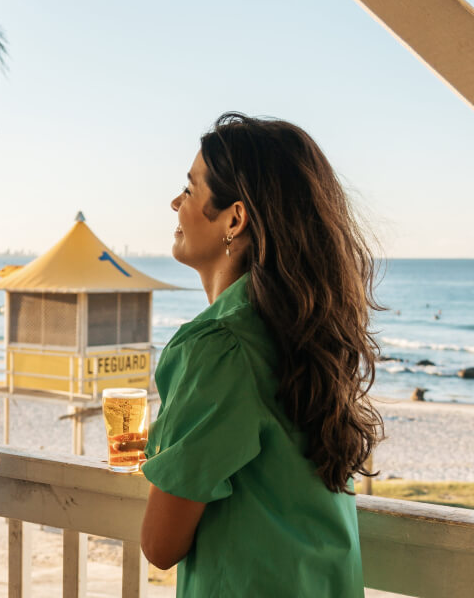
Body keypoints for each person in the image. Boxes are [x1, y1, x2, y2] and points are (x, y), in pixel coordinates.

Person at [134, 113, 383, 597]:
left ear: (235, 218)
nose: (174, 203)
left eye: (189, 189)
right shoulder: (306, 331)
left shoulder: (220, 346)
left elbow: (160, 545)